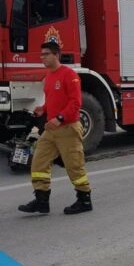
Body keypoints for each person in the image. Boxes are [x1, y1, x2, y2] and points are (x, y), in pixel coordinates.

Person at [18, 41, 92, 215]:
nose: (42, 57)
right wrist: (43, 109)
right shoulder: (49, 76)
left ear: (57, 55)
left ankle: (84, 200)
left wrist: (59, 118)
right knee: (39, 162)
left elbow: (75, 103)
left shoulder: (69, 75)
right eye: (41, 54)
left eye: (46, 54)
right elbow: (53, 99)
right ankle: (41, 201)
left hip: (68, 128)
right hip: (51, 129)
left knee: (74, 166)